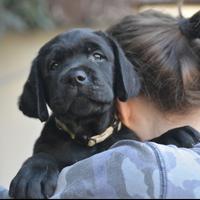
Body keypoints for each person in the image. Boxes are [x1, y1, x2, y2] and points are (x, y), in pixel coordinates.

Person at [1, 9, 200, 199]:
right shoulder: (48, 150)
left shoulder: (136, 145)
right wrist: (40, 164)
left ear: (119, 73)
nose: (76, 75)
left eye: (97, 56)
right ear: (40, 92)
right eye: (54, 65)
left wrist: (163, 142)